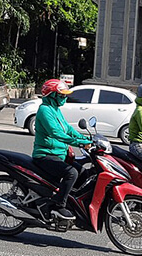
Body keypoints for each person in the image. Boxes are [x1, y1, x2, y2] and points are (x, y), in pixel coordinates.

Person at [32, 79, 91, 221]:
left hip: (60, 154)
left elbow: (68, 129)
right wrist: (80, 143)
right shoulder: (44, 110)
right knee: (71, 173)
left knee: (84, 173)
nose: (64, 97)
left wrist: (86, 139)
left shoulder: (55, 109)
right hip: (45, 155)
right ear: (52, 95)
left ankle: (73, 202)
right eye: (62, 95)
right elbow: (56, 133)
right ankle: (58, 205)